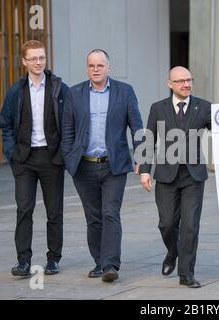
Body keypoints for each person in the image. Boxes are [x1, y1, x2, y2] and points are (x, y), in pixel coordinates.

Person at [61, 49, 143, 283]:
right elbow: (67, 129)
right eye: (91, 66)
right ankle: (99, 262)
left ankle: (110, 265)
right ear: (87, 68)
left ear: (109, 67)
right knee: (93, 217)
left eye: (100, 65)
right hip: (84, 167)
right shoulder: (75, 93)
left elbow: (136, 127)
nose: (95, 69)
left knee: (110, 213)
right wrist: (69, 159)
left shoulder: (124, 92)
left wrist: (141, 158)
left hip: (113, 166)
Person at [0, 40, 68, 277]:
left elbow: (69, 122)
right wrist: (12, 154)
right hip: (25, 160)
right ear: (24, 62)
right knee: (24, 210)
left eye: (42, 57)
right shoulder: (16, 91)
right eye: (33, 58)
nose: (38, 62)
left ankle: (53, 259)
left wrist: (63, 154)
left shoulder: (59, 88)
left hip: (52, 159)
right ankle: (23, 262)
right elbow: (5, 124)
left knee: (54, 212)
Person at [139, 66, 211, 288]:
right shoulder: (158, 108)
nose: (186, 84)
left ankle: (186, 273)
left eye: (189, 80)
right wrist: (144, 170)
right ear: (170, 84)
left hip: (193, 176)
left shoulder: (204, 106)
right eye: (180, 81)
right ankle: (173, 252)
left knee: (190, 226)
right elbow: (149, 139)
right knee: (167, 224)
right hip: (166, 175)